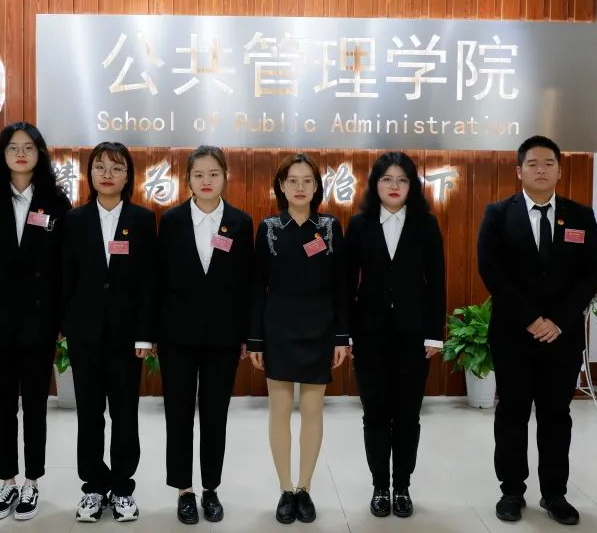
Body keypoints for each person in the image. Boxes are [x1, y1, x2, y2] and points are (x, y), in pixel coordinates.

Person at [477, 135, 597, 526]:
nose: (541, 170)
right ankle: (512, 491)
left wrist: (558, 320)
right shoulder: (498, 214)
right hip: (513, 335)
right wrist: (531, 318)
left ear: (560, 170)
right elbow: (491, 270)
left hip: (561, 338)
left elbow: (589, 275)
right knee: (512, 414)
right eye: (532, 164)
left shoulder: (580, 216)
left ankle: (555, 494)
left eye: (549, 163)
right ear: (519, 171)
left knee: (556, 416)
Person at [0, 122, 71, 521]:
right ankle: (7, 481)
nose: (21, 153)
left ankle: (32, 482)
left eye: (29, 147)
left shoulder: (56, 201)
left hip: (40, 320)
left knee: (36, 407)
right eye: (13, 147)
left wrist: (62, 320)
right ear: (3, 154)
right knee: (3, 406)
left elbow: (64, 268)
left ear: (40, 153)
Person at [247, 153, 351, 525]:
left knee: (312, 410)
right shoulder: (269, 228)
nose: (300, 187)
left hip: (320, 328)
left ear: (317, 186)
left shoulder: (330, 227)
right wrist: (255, 340)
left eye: (308, 180)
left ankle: (304, 488)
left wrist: (342, 336)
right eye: (293, 180)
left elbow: (341, 286)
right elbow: (257, 287)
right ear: (281, 186)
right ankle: (285, 488)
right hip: (278, 328)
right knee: (279, 410)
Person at [155, 146, 253, 525]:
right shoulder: (171, 221)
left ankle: (210, 488)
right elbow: (159, 280)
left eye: (214, 173)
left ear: (226, 177)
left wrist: (247, 335)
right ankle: (184, 490)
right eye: (199, 174)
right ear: (188, 180)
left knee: (215, 415)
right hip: (176, 336)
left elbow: (246, 284)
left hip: (223, 338)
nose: (207, 180)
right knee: (179, 415)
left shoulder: (240, 223)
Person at [345, 151, 446, 519]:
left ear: (411, 186)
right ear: (375, 183)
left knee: (407, 415)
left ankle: (401, 486)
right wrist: (347, 333)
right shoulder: (359, 224)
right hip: (368, 334)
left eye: (402, 179)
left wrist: (434, 334)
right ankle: (379, 487)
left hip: (413, 335)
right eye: (387, 178)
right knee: (374, 414)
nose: (394, 186)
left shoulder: (426, 225)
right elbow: (346, 283)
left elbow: (436, 281)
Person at [62, 141, 156, 523]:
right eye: (100, 167)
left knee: (124, 413)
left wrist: (145, 335)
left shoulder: (142, 219)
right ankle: (93, 487)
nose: (107, 174)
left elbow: (149, 281)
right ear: (90, 173)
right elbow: (65, 277)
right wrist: (65, 327)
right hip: (84, 334)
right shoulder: (75, 219)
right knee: (89, 414)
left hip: (126, 337)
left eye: (116, 168)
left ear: (127, 176)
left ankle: (122, 488)